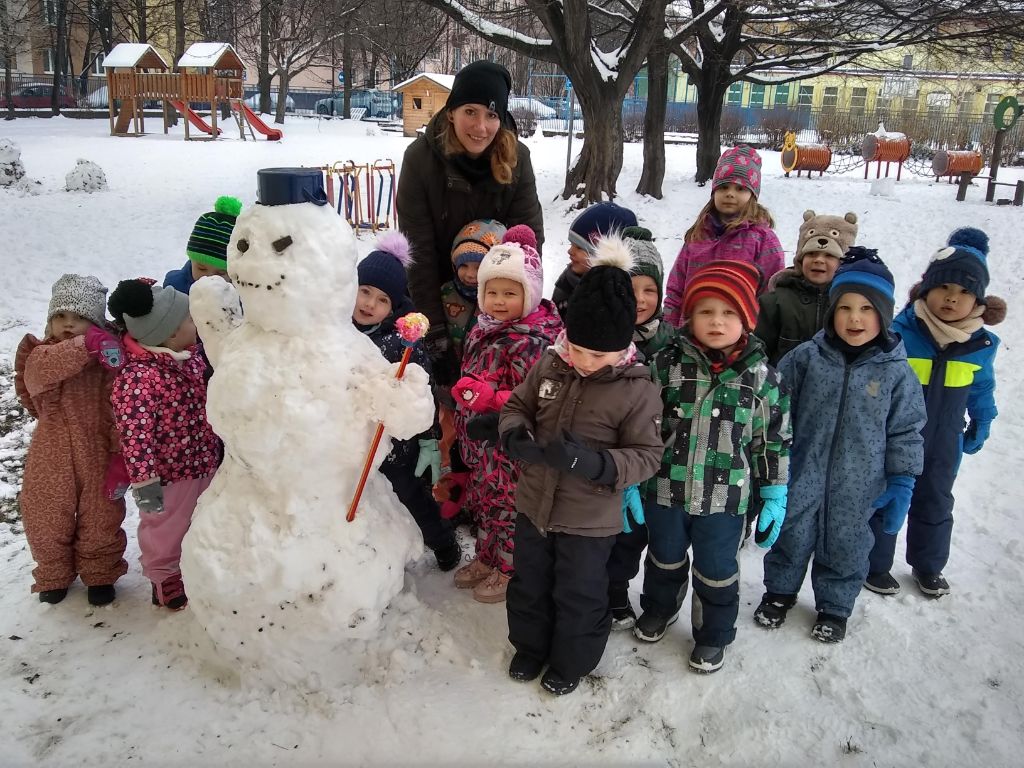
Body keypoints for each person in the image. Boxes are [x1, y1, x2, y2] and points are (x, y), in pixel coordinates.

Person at [499, 233, 663, 695]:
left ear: (623, 346)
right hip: (534, 504)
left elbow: (648, 455)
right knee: (529, 581)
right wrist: (515, 433)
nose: (586, 362)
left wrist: (597, 464)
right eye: (578, 348)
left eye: (599, 354)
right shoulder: (551, 364)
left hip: (589, 520)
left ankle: (572, 660)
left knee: (579, 594)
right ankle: (530, 647)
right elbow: (518, 405)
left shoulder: (636, 389)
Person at [756, 249, 926, 643]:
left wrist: (902, 480)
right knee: (791, 534)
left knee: (848, 543)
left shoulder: (897, 374)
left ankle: (834, 605)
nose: (854, 318)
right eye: (845, 307)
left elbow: (907, 429)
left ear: (883, 314)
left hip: (862, 482)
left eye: (867, 308)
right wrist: (769, 462)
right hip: (803, 471)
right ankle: (779, 591)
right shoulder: (806, 359)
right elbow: (776, 411)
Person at [634, 260, 791, 674]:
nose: (717, 322)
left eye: (729, 313)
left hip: (726, 499)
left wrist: (774, 490)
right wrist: (632, 478)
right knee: (663, 558)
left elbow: (772, 440)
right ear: (689, 316)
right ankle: (659, 608)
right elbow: (641, 425)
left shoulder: (762, 379)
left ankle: (713, 634)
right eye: (706, 311)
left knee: (717, 571)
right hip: (665, 489)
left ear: (747, 319)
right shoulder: (664, 366)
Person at [865, 228, 1004, 598]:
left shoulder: (980, 345)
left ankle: (928, 566)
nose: (951, 298)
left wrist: (983, 420)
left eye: (963, 292)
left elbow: (982, 387)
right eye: (944, 288)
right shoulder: (900, 333)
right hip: (893, 437)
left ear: (978, 301)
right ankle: (874, 564)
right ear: (926, 289)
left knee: (936, 500)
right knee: (888, 496)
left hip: (945, 440)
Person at [397, 60, 544, 393]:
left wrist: (512, 318)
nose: (481, 127)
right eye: (471, 111)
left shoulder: (516, 159)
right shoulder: (420, 160)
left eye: (492, 115)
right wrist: (434, 333)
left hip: (498, 298)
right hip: (435, 295)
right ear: (451, 111)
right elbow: (417, 251)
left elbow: (528, 245)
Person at [449, 226, 563, 603]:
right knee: (485, 504)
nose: (498, 301)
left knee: (509, 509)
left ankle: (509, 568)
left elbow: (533, 399)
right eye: (491, 292)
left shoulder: (533, 340)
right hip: (481, 447)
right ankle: (486, 556)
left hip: (510, 450)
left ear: (529, 294)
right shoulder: (482, 328)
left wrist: (488, 399)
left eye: (509, 293)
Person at [13, 274, 128, 605]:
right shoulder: (41, 353)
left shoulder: (107, 360)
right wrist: (84, 344)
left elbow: (119, 402)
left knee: (101, 514)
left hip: (97, 449)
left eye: (80, 319)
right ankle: (53, 574)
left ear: (96, 323)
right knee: (46, 514)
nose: (68, 324)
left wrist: (119, 450)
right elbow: (38, 377)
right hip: (52, 451)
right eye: (61, 316)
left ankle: (100, 573)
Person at [108, 279, 221, 609]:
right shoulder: (138, 378)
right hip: (169, 474)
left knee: (201, 519)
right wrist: (145, 482)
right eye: (190, 318)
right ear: (170, 333)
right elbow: (135, 436)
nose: (195, 322)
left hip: (204, 460)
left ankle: (196, 568)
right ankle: (164, 577)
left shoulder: (193, 356)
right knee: (165, 527)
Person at [353, 231, 461, 572]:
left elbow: (421, 392)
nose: (369, 304)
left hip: (395, 445)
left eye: (382, 300)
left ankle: (442, 540)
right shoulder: (337, 331)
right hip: (355, 440)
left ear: (395, 306)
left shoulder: (401, 343)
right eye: (365, 291)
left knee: (410, 496)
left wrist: (428, 437)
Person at [606, 226, 672, 630]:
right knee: (609, 534)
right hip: (608, 457)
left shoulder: (672, 342)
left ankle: (633, 593)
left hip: (653, 463)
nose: (641, 300)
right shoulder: (601, 338)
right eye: (632, 289)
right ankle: (610, 593)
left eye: (650, 289)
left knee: (638, 534)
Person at [663, 146, 784, 327]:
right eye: (724, 187)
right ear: (714, 192)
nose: (730, 193)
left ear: (752, 195)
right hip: (690, 334)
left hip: (737, 338)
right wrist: (670, 327)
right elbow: (676, 287)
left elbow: (771, 292)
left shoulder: (763, 239)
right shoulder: (698, 235)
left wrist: (756, 333)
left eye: (740, 189)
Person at [756, 210, 859, 366]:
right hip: (782, 385)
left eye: (829, 256)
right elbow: (759, 351)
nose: (818, 260)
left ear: (842, 263)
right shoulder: (775, 301)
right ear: (800, 259)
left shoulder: (848, 303)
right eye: (811, 254)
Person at [551, 201, 638, 317]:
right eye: (571, 244)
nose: (570, 251)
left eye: (580, 247)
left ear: (606, 257)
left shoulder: (620, 295)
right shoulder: (566, 282)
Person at [163, 196, 242, 294]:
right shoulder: (175, 288)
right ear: (192, 260)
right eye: (201, 268)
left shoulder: (241, 293)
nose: (208, 278)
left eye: (221, 273)